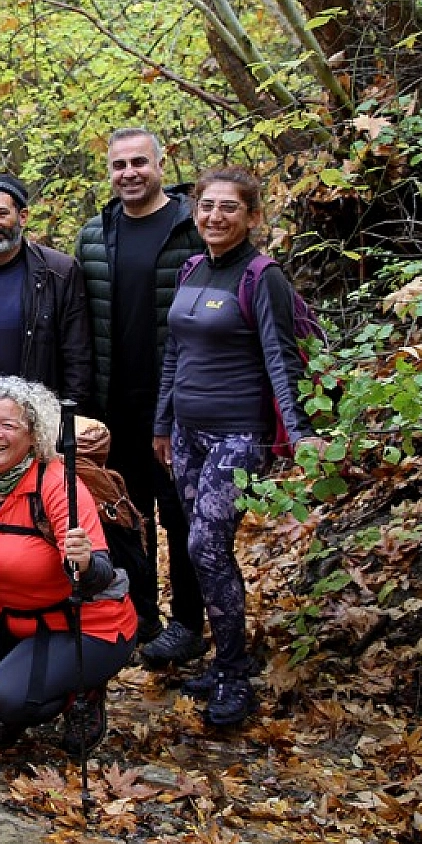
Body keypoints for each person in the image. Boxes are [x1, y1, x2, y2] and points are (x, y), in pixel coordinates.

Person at [154, 167, 324, 725]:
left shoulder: (261, 276)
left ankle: (234, 672)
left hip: (237, 435)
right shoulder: (192, 269)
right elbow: (174, 356)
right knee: (197, 544)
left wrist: (298, 432)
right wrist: (161, 425)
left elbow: (281, 356)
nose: (214, 216)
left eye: (229, 208)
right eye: (206, 206)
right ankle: (223, 656)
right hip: (187, 433)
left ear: (252, 216)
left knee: (206, 543)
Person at [0, 376, 138, 754]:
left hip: (84, 625)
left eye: (8, 425)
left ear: (33, 434)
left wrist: (82, 562)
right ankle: (18, 688)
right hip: (12, 614)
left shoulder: (56, 484)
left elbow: (98, 577)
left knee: (6, 698)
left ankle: (80, 695)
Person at [74, 128, 205, 663]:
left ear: (160, 163)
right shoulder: (94, 234)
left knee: (181, 516)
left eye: (138, 163)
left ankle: (189, 624)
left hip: (176, 405)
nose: (128, 173)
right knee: (125, 514)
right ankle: (142, 614)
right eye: (118, 165)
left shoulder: (192, 227)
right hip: (114, 406)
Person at [0, 173, 94, 409]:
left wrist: (71, 418)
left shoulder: (59, 273)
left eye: (1, 213)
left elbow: (77, 356)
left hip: (39, 412)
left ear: (22, 217)